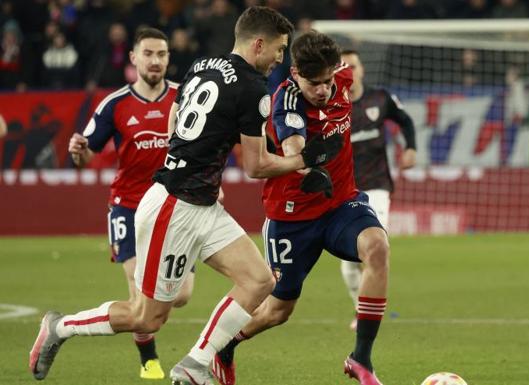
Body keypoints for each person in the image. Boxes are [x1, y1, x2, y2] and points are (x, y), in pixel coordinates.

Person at [29, 7, 342, 384]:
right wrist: (304, 159)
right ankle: (60, 327)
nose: (280, 57)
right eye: (278, 49)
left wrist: (196, 164)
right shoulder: (254, 90)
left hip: (202, 202)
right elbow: (256, 166)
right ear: (258, 44)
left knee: (260, 281)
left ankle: (195, 365)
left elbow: (176, 116)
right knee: (147, 317)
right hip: (174, 208)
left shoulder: (202, 64)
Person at [212, 31, 390, 385]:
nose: (323, 90)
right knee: (278, 311)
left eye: (327, 82)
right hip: (291, 216)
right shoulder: (286, 101)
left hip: (341, 203)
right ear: (295, 73)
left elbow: (343, 80)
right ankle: (224, 344)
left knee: (378, 246)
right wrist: (310, 168)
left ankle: (361, 359)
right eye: (314, 84)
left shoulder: (343, 77)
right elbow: (295, 145)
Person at [64, 27, 190, 380]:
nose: (155, 61)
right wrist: (79, 152)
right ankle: (148, 358)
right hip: (129, 206)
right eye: (148, 54)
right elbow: (86, 157)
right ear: (133, 58)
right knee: (140, 291)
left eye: (161, 54)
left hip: (175, 205)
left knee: (179, 295)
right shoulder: (114, 104)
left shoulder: (185, 97)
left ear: (168, 58)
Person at [340, 49, 416, 331]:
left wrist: (410, 148)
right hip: (344, 193)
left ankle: (368, 314)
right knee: (347, 265)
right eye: (344, 66)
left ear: (361, 70)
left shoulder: (380, 99)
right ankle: (360, 309)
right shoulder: (331, 106)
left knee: (374, 246)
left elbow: (405, 120)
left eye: (354, 65)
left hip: (377, 188)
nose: (350, 70)